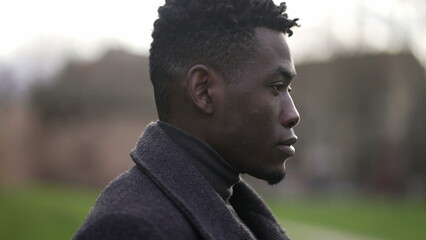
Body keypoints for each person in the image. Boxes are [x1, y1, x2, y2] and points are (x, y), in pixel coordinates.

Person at [74, 0, 300, 239]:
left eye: (289, 90)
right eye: (277, 87)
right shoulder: (130, 228)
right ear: (203, 91)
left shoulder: (237, 210)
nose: (293, 114)